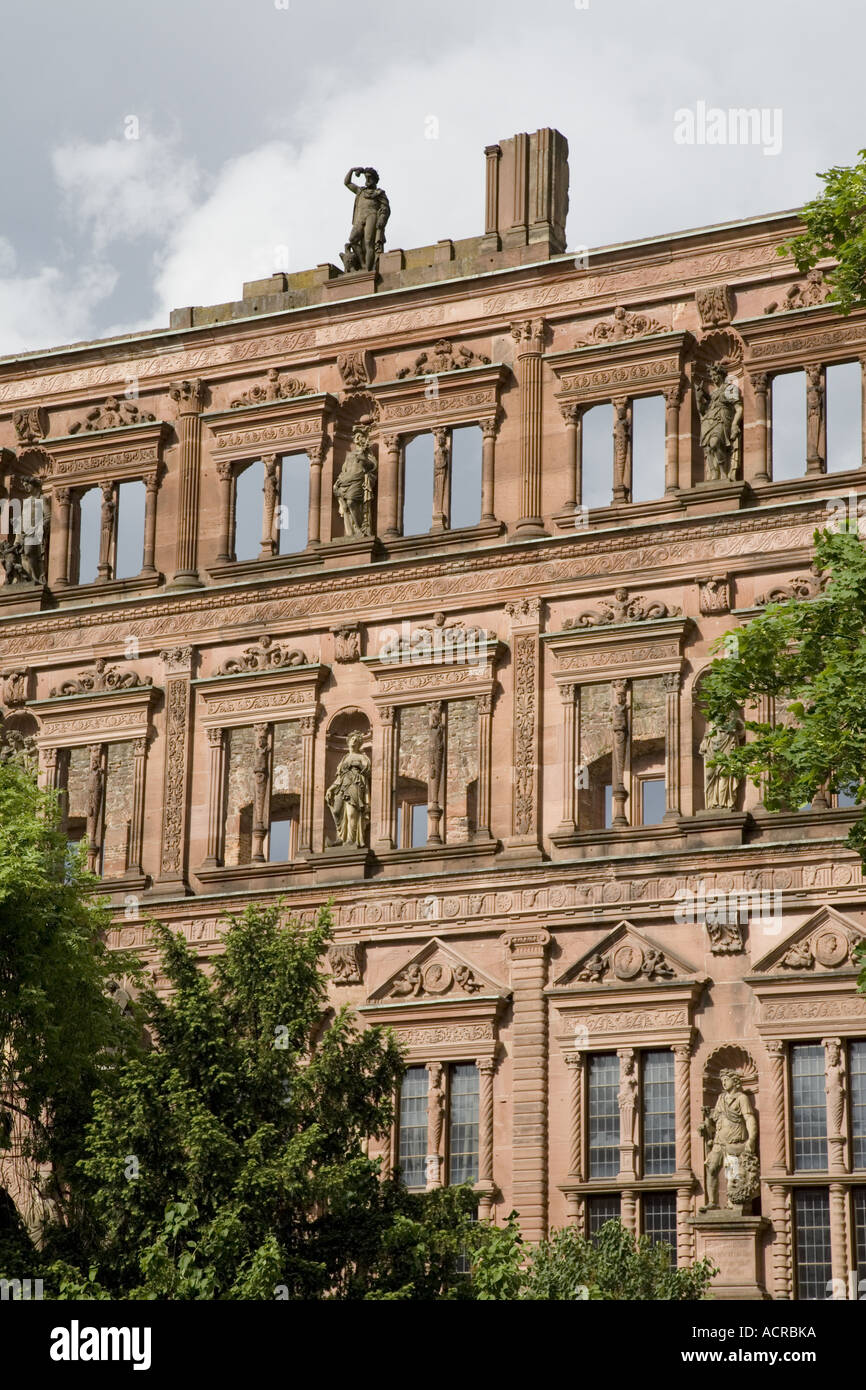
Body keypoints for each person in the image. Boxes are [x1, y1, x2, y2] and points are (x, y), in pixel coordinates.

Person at [325, 731, 371, 847]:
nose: (353, 741)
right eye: (352, 739)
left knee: (351, 813)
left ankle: (351, 839)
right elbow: (339, 777)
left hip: (354, 785)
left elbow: (367, 770)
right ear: (348, 741)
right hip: (342, 786)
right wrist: (330, 789)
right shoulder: (344, 758)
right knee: (336, 811)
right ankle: (341, 837)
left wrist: (358, 765)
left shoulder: (362, 757)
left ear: (360, 743)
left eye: (356, 740)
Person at [341, 167, 390, 272]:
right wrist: (352, 170)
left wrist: (382, 218)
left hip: (371, 216)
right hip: (360, 217)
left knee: (369, 242)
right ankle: (363, 263)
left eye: (369, 178)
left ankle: (369, 269)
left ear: (374, 179)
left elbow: (386, 208)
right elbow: (347, 182)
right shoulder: (360, 191)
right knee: (352, 239)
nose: (367, 180)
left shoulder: (379, 193)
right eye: (366, 177)